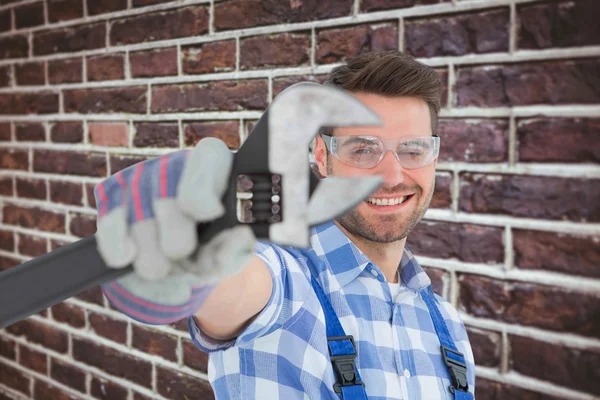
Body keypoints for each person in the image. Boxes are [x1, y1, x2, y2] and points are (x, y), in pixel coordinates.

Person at [94, 50, 476, 399]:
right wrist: (196, 274)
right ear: (323, 159)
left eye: (413, 150)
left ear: (434, 157)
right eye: (363, 149)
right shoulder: (290, 280)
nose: (391, 175)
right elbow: (241, 289)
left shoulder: (447, 326)